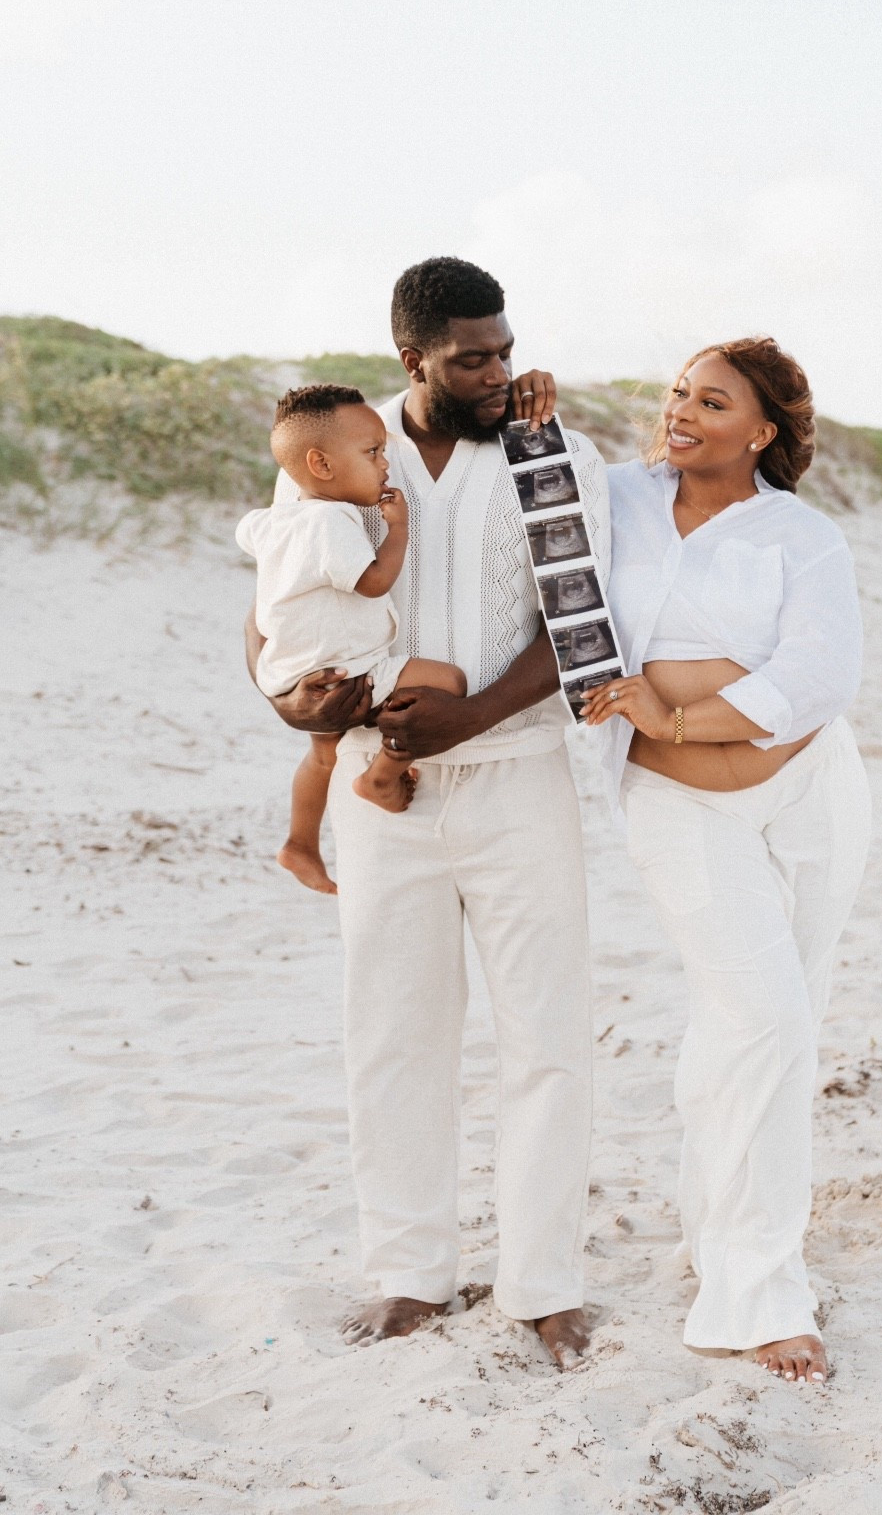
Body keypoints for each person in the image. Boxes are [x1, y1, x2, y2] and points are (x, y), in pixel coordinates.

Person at [244, 257, 609, 1370]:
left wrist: (473, 717)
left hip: (519, 778)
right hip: (379, 793)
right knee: (395, 1035)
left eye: (504, 349)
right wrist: (283, 694)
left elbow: (578, 623)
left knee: (547, 1036)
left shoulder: (553, 450)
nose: (497, 371)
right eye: (470, 357)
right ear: (414, 357)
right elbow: (275, 610)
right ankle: (410, 1276)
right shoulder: (350, 451)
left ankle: (544, 1284)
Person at [582, 336, 869, 1386]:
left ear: (762, 430)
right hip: (674, 805)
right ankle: (760, 1291)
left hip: (812, 795)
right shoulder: (614, 499)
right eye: (676, 394)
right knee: (767, 1019)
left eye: (713, 400)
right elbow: (531, 483)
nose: (683, 411)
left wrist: (689, 711)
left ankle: (719, 1235)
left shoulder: (802, 535)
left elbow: (823, 667)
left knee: (757, 1021)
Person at [237, 384, 467, 892]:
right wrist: (398, 530)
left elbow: (247, 533)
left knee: (322, 755)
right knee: (448, 681)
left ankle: (300, 843)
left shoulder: (275, 522)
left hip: (295, 671)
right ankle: (382, 774)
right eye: (372, 453)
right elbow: (373, 582)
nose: (385, 464)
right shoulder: (330, 523)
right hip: (348, 672)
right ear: (320, 465)